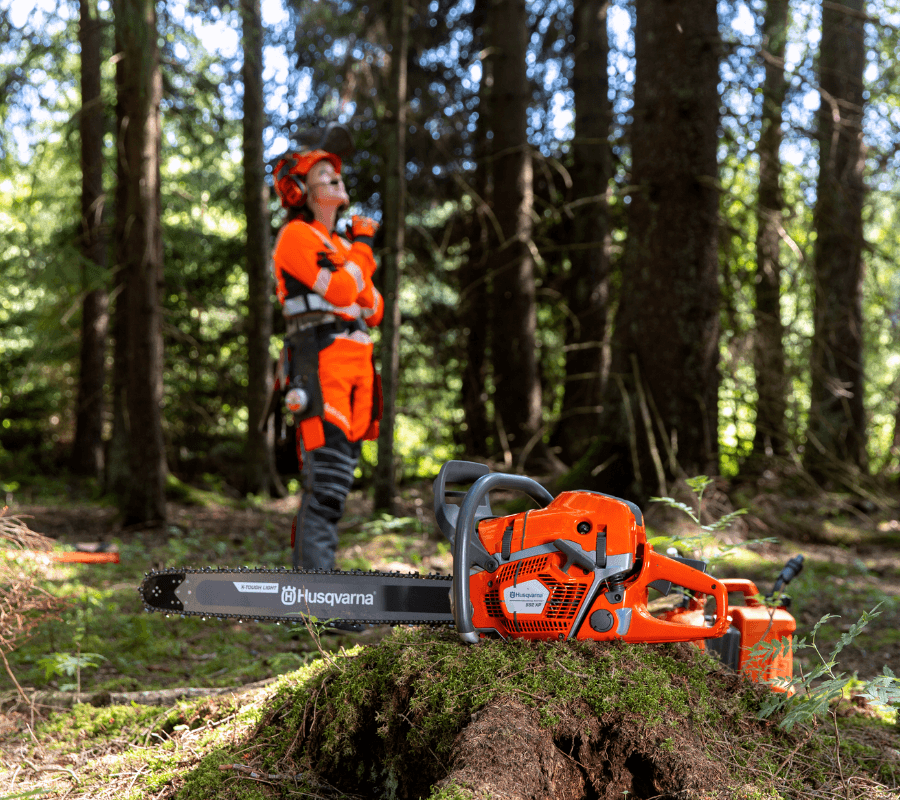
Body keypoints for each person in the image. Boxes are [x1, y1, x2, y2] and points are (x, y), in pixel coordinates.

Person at [271, 138, 383, 573]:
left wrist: (356, 258)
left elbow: (373, 308)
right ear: (299, 190)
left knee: (341, 480)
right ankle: (315, 599)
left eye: (337, 173)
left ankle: (319, 592)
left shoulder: (342, 247)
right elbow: (341, 290)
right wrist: (363, 252)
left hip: (356, 370)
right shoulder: (296, 237)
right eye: (323, 175)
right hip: (319, 364)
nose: (336, 178)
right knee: (326, 483)